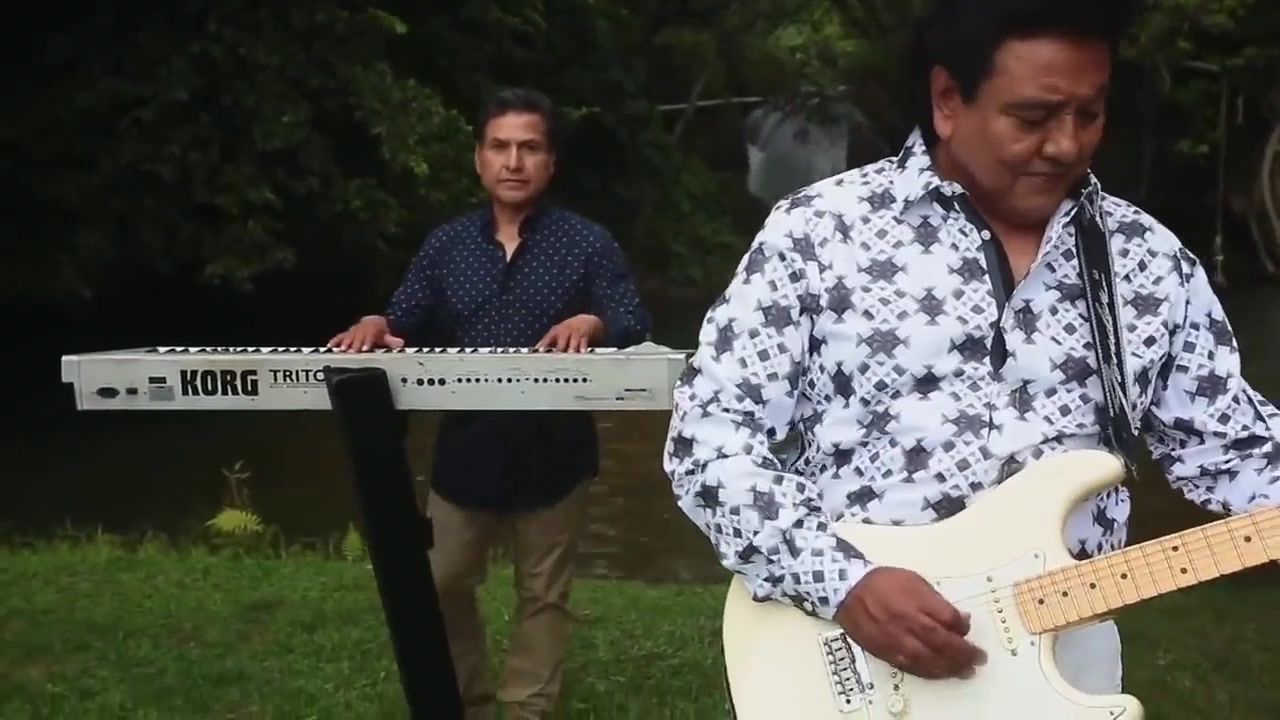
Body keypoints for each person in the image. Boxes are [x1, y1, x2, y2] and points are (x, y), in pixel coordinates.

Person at [663, 0, 1279, 699]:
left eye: (1089, 113)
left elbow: (1234, 449)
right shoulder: (818, 235)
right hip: (846, 657)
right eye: (1033, 117)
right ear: (948, 100)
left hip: (1069, 662)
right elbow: (710, 441)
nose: (1066, 144)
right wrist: (843, 582)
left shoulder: (1148, 261)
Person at [330, 87, 651, 719]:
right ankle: (467, 704)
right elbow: (402, 319)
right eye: (500, 147)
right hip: (466, 450)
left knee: (543, 594)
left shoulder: (587, 243)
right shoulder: (447, 246)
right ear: (479, 158)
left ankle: (528, 711)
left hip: (556, 452)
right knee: (442, 580)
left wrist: (592, 322)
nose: (513, 161)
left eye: (529, 148)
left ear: (551, 161)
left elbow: (633, 317)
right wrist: (375, 322)